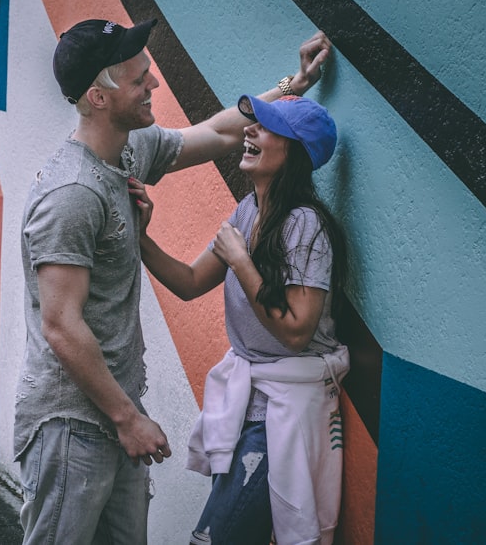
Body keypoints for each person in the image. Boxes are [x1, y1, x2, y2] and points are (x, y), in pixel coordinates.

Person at [16, 16, 332, 545]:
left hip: (116, 414)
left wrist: (290, 88)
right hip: (73, 423)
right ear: (98, 96)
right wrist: (127, 419)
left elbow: (219, 131)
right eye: (140, 79)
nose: (154, 84)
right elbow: (61, 326)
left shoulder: (129, 152)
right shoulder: (71, 193)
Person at [128, 94, 348, 544]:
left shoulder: (305, 225)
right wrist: (141, 236)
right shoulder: (247, 210)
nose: (249, 131)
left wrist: (242, 262)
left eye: (264, 128)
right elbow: (190, 282)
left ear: (295, 152)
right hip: (246, 408)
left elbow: (296, 331)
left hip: (284, 415)